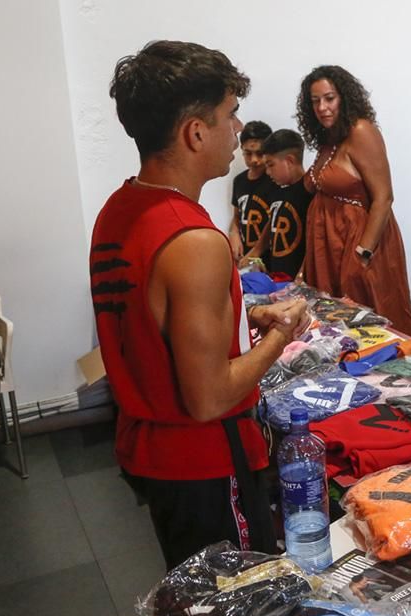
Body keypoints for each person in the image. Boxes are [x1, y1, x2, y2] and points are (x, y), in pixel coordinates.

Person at [90, 40, 309, 569]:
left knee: (196, 596)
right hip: (207, 460)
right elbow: (209, 398)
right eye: (230, 117)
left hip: (153, 451)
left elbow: (152, 318)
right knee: (239, 606)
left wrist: (246, 315)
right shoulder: (194, 240)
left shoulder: (119, 209)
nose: (239, 132)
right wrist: (282, 335)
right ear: (195, 132)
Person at [297, 65, 411, 335]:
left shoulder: (361, 131)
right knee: (338, 322)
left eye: (329, 98)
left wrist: (363, 253)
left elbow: (384, 197)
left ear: (345, 97)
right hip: (330, 241)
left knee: (370, 318)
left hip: (360, 241)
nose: (322, 107)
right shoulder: (329, 138)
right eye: (315, 101)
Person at [246, 129, 312, 279]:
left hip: (298, 280)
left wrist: (302, 274)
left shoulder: (309, 192)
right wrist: (256, 250)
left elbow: (314, 242)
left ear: (289, 161)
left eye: (271, 165)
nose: (268, 172)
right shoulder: (277, 188)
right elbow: (274, 220)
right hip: (276, 276)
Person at [227, 121, 275, 265]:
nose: (254, 160)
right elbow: (237, 217)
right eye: (248, 153)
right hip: (246, 259)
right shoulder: (239, 181)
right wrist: (233, 234)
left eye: (259, 154)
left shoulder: (275, 181)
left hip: (270, 259)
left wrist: (256, 252)